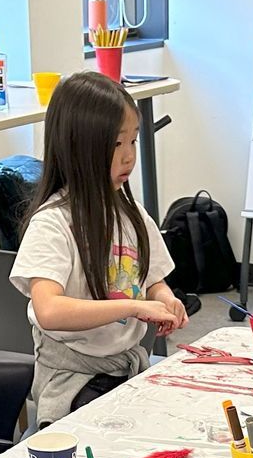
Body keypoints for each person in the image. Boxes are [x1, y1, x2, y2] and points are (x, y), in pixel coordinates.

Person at [11, 70, 188, 424]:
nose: (129, 157)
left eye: (133, 142)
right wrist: (136, 307)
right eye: (116, 144)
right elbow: (49, 309)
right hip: (74, 381)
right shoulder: (53, 223)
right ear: (80, 148)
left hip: (126, 370)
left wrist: (165, 298)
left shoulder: (130, 214)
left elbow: (152, 280)